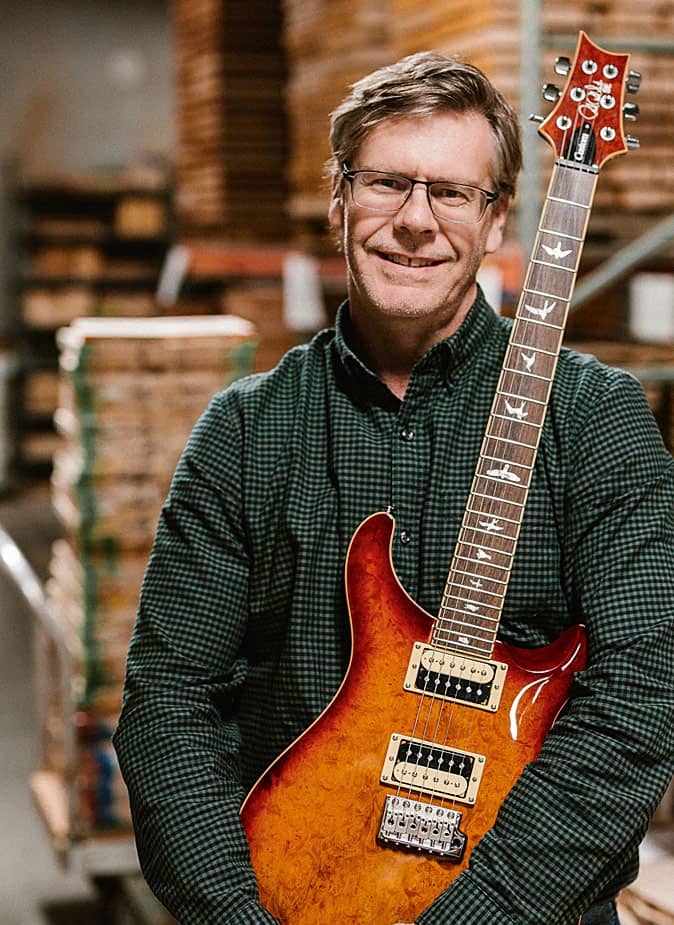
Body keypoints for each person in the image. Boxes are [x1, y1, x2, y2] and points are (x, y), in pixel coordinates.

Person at [113, 51, 674, 925]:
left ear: (496, 220)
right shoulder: (247, 431)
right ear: (339, 198)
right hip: (287, 897)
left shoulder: (596, 419)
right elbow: (169, 699)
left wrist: (476, 914)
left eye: (451, 192)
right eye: (386, 183)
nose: (416, 221)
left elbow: (641, 694)